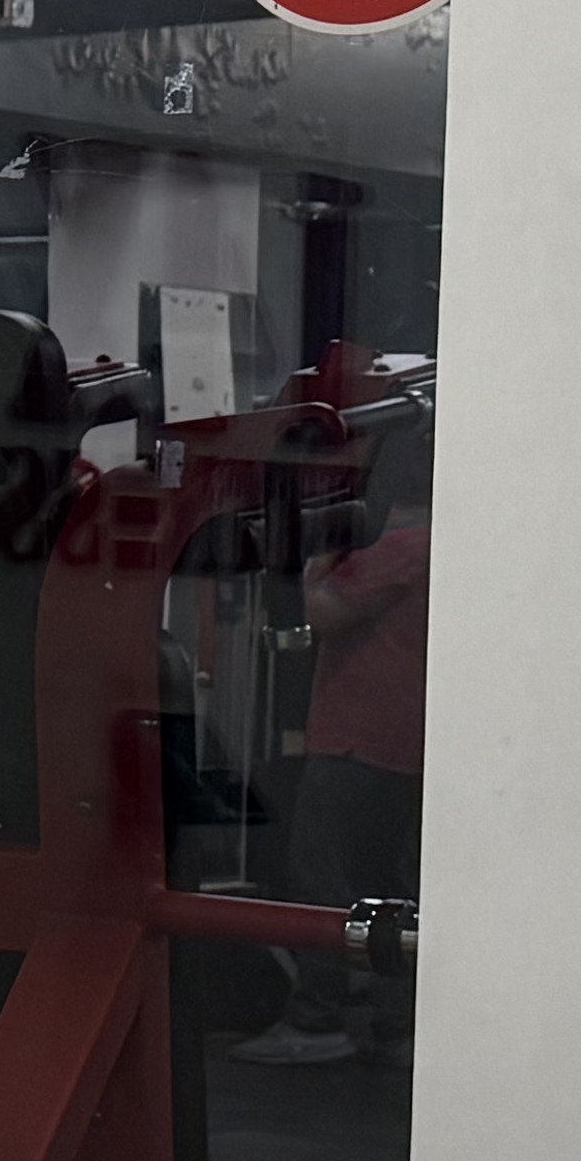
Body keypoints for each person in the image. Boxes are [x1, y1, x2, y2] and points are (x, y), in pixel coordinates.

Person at [249, 431, 430, 1063]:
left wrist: (325, 546)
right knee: (389, 886)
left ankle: (317, 1018)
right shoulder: (437, 546)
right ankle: (396, 1024)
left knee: (320, 878)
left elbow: (319, 611)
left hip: (359, 740)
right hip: (401, 744)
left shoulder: (400, 548)